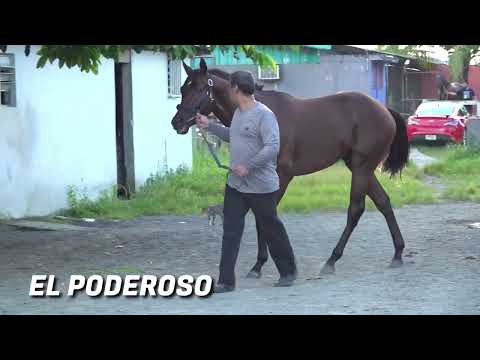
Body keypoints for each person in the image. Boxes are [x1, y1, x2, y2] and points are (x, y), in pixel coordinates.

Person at [195, 71, 297, 293]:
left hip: (261, 187)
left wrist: (248, 165)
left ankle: (288, 271)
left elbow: (272, 147)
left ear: (235, 88)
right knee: (230, 230)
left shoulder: (264, 115)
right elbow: (234, 135)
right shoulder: (239, 113)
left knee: (271, 228)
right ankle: (226, 281)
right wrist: (208, 125)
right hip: (236, 186)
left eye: (230, 87)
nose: (229, 91)